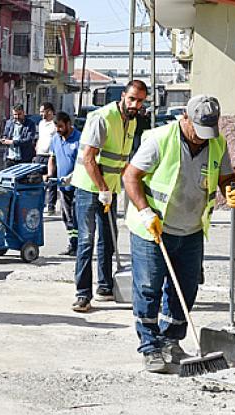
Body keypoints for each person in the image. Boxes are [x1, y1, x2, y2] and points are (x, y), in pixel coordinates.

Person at [122, 95, 235, 373]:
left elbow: (225, 177)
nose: (202, 138)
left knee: (185, 290)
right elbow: (131, 176)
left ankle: (170, 341)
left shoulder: (217, 144)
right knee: (149, 289)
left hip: (191, 231)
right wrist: (145, 212)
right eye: (198, 130)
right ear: (185, 118)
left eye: (208, 132)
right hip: (153, 229)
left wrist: (232, 190)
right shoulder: (159, 139)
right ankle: (150, 346)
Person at [69, 80, 147, 313]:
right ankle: (83, 294)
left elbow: (120, 160)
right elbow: (89, 158)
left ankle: (104, 286)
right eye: (132, 99)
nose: (135, 104)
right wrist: (102, 188)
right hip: (89, 188)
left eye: (140, 101)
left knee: (108, 240)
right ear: (124, 96)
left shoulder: (131, 122)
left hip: (110, 189)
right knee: (85, 241)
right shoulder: (102, 118)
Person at [46, 111, 81, 256]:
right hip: (62, 185)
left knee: (77, 216)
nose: (59, 130)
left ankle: (78, 244)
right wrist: (49, 174)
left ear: (68, 124)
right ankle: (73, 243)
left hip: (78, 185)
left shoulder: (79, 139)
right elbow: (52, 159)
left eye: (61, 126)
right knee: (67, 216)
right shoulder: (56, 139)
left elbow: (84, 163)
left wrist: (72, 177)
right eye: (56, 127)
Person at [35, 102, 58, 214]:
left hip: (51, 156)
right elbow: (40, 137)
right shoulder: (41, 124)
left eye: (42, 111)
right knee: (38, 181)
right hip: (40, 155)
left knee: (51, 181)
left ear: (49, 111)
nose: (41, 114)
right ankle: (39, 203)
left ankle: (51, 205)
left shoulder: (55, 124)